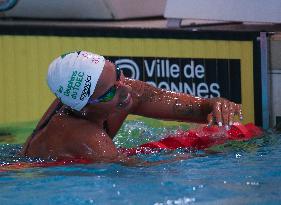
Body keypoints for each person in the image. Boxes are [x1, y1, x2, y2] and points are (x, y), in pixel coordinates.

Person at [21, 51, 243, 163]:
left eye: (119, 75)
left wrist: (213, 104)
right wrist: (202, 156)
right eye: (110, 91)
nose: (126, 90)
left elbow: (189, 107)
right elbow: (133, 175)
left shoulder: (120, 91)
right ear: (84, 108)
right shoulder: (86, 139)